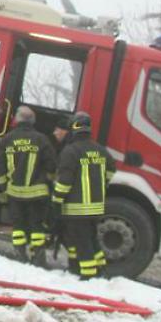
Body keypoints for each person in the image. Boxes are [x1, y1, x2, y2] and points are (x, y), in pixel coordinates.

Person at [52, 111, 115, 279]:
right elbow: (111, 169)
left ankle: (88, 275)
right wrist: (103, 184)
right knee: (91, 239)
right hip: (95, 206)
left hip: (76, 208)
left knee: (82, 242)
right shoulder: (100, 150)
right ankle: (100, 268)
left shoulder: (70, 151)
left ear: (73, 127)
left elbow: (64, 182)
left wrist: (56, 200)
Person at [0, 105, 57, 265]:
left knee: (18, 225)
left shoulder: (7, 139)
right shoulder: (42, 139)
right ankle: (37, 256)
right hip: (38, 193)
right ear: (33, 122)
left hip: (15, 193)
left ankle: (20, 254)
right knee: (37, 225)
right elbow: (51, 166)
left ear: (16, 119)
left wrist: (3, 186)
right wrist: (47, 180)